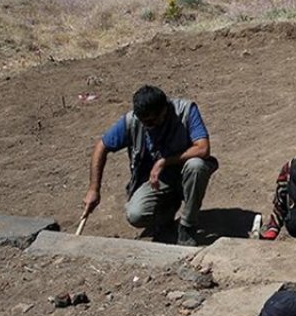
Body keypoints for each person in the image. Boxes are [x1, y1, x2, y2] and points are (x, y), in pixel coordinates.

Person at [82, 85, 216, 246]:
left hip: (185, 173)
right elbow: (101, 147)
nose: (147, 126)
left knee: (196, 166)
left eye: (151, 121)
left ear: (164, 109)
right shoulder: (134, 120)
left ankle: (187, 226)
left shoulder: (186, 111)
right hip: (158, 181)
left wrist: (164, 161)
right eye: (143, 121)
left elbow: (203, 149)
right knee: (135, 215)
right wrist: (93, 189)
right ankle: (167, 211)